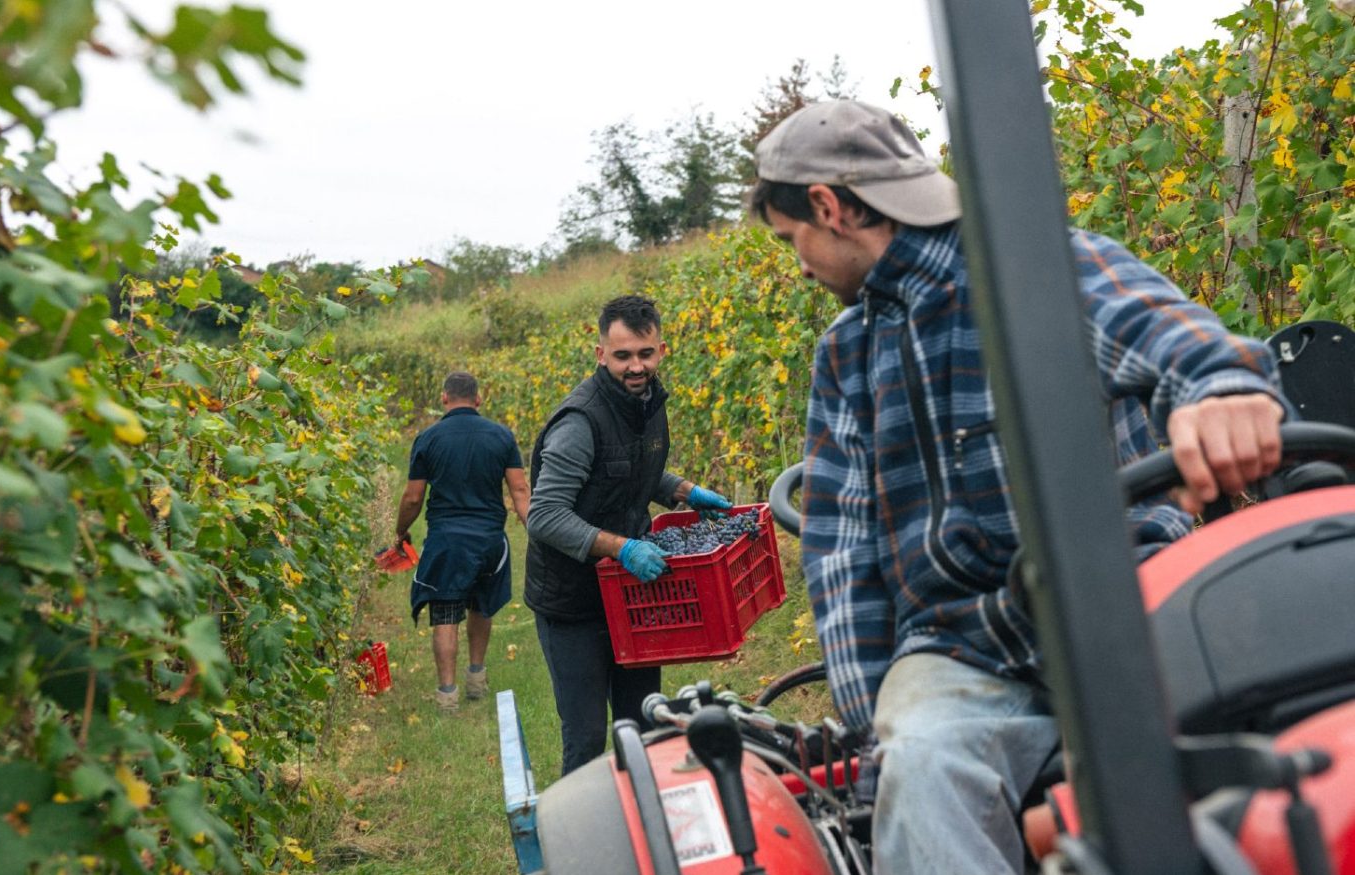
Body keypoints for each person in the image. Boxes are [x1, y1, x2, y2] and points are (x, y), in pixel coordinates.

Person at [750, 100, 1287, 874]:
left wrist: (1222, 390)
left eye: (791, 237)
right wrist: (877, 735)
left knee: (1266, 737)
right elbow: (843, 553)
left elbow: (1174, 338)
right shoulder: (846, 355)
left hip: (1127, 610)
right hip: (964, 650)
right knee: (926, 766)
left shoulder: (1039, 269)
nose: (796, 261)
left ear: (829, 209)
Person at [525, 294, 733, 775]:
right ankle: (583, 839)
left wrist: (684, 490)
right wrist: (623, 548)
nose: (635, 366)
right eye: (622, 356)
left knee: (643, 725)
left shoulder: (648, 403)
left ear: (661, 350)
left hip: (633, 599)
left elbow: (629, 469)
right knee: (586, 739)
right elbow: (545, 515)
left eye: (644, 354)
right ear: (601, 354)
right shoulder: (580, 421)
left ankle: (642, 830)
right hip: (572, 603)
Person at [394, 371, 530, 713]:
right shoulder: (501, 436)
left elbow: (413, 498)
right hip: (490, 541)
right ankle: (476, 678)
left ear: (444, 398)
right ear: (478, 400)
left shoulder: (428, 438)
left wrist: (401, 530)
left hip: (446, 542)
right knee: (481, 605)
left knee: (445, 613)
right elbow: (520, 491)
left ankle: (447, 695)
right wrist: (537, 530)